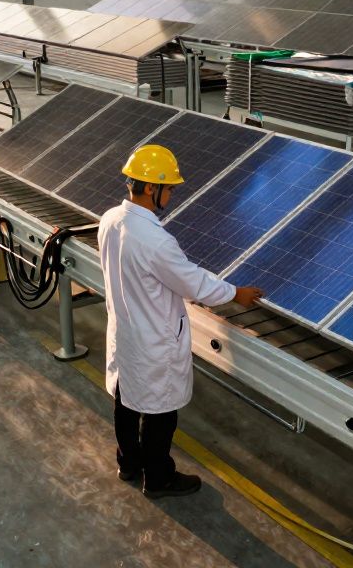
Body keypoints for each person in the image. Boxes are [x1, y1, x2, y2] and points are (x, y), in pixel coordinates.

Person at [98, 144, 263, 499]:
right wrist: (236, 293)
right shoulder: (156, 241)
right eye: (169, 188)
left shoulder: (110, 219)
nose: (172, 194)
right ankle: (157, 479)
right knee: (160, 414)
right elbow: (193, 281)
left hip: (125, 330)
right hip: (154, 340)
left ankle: (128, 464)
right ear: (150, 188)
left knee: (125, 402)